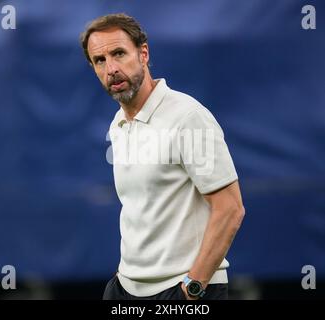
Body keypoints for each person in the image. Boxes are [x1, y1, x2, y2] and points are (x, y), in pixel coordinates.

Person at [80, 13, 245, 300]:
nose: (111, 68)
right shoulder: (118, 124)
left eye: (119, 53)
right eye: (100, 60)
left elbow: (230, 208)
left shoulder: (188, 116)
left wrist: (194, 287)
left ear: (143, 53)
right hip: (125, 287)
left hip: (184, 289)